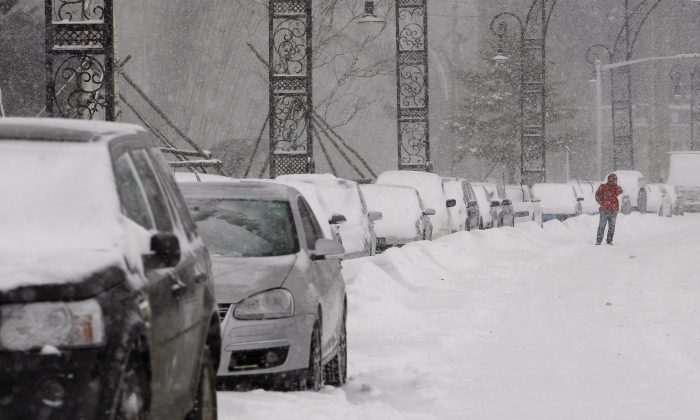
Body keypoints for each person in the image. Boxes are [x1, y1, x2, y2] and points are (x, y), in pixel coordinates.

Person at [595, 173, 623, 245]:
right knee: (602, 226)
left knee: (612, 227)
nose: (616, 181)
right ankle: (599, 240)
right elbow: (597, 196)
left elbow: (621, 190)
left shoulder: (616, 188)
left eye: (616, 180)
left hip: (613, 211)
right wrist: (603, 203)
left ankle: (609, 240)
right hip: (604, 210)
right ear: (610, 180)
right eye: (615, 180)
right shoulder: (603, 187)